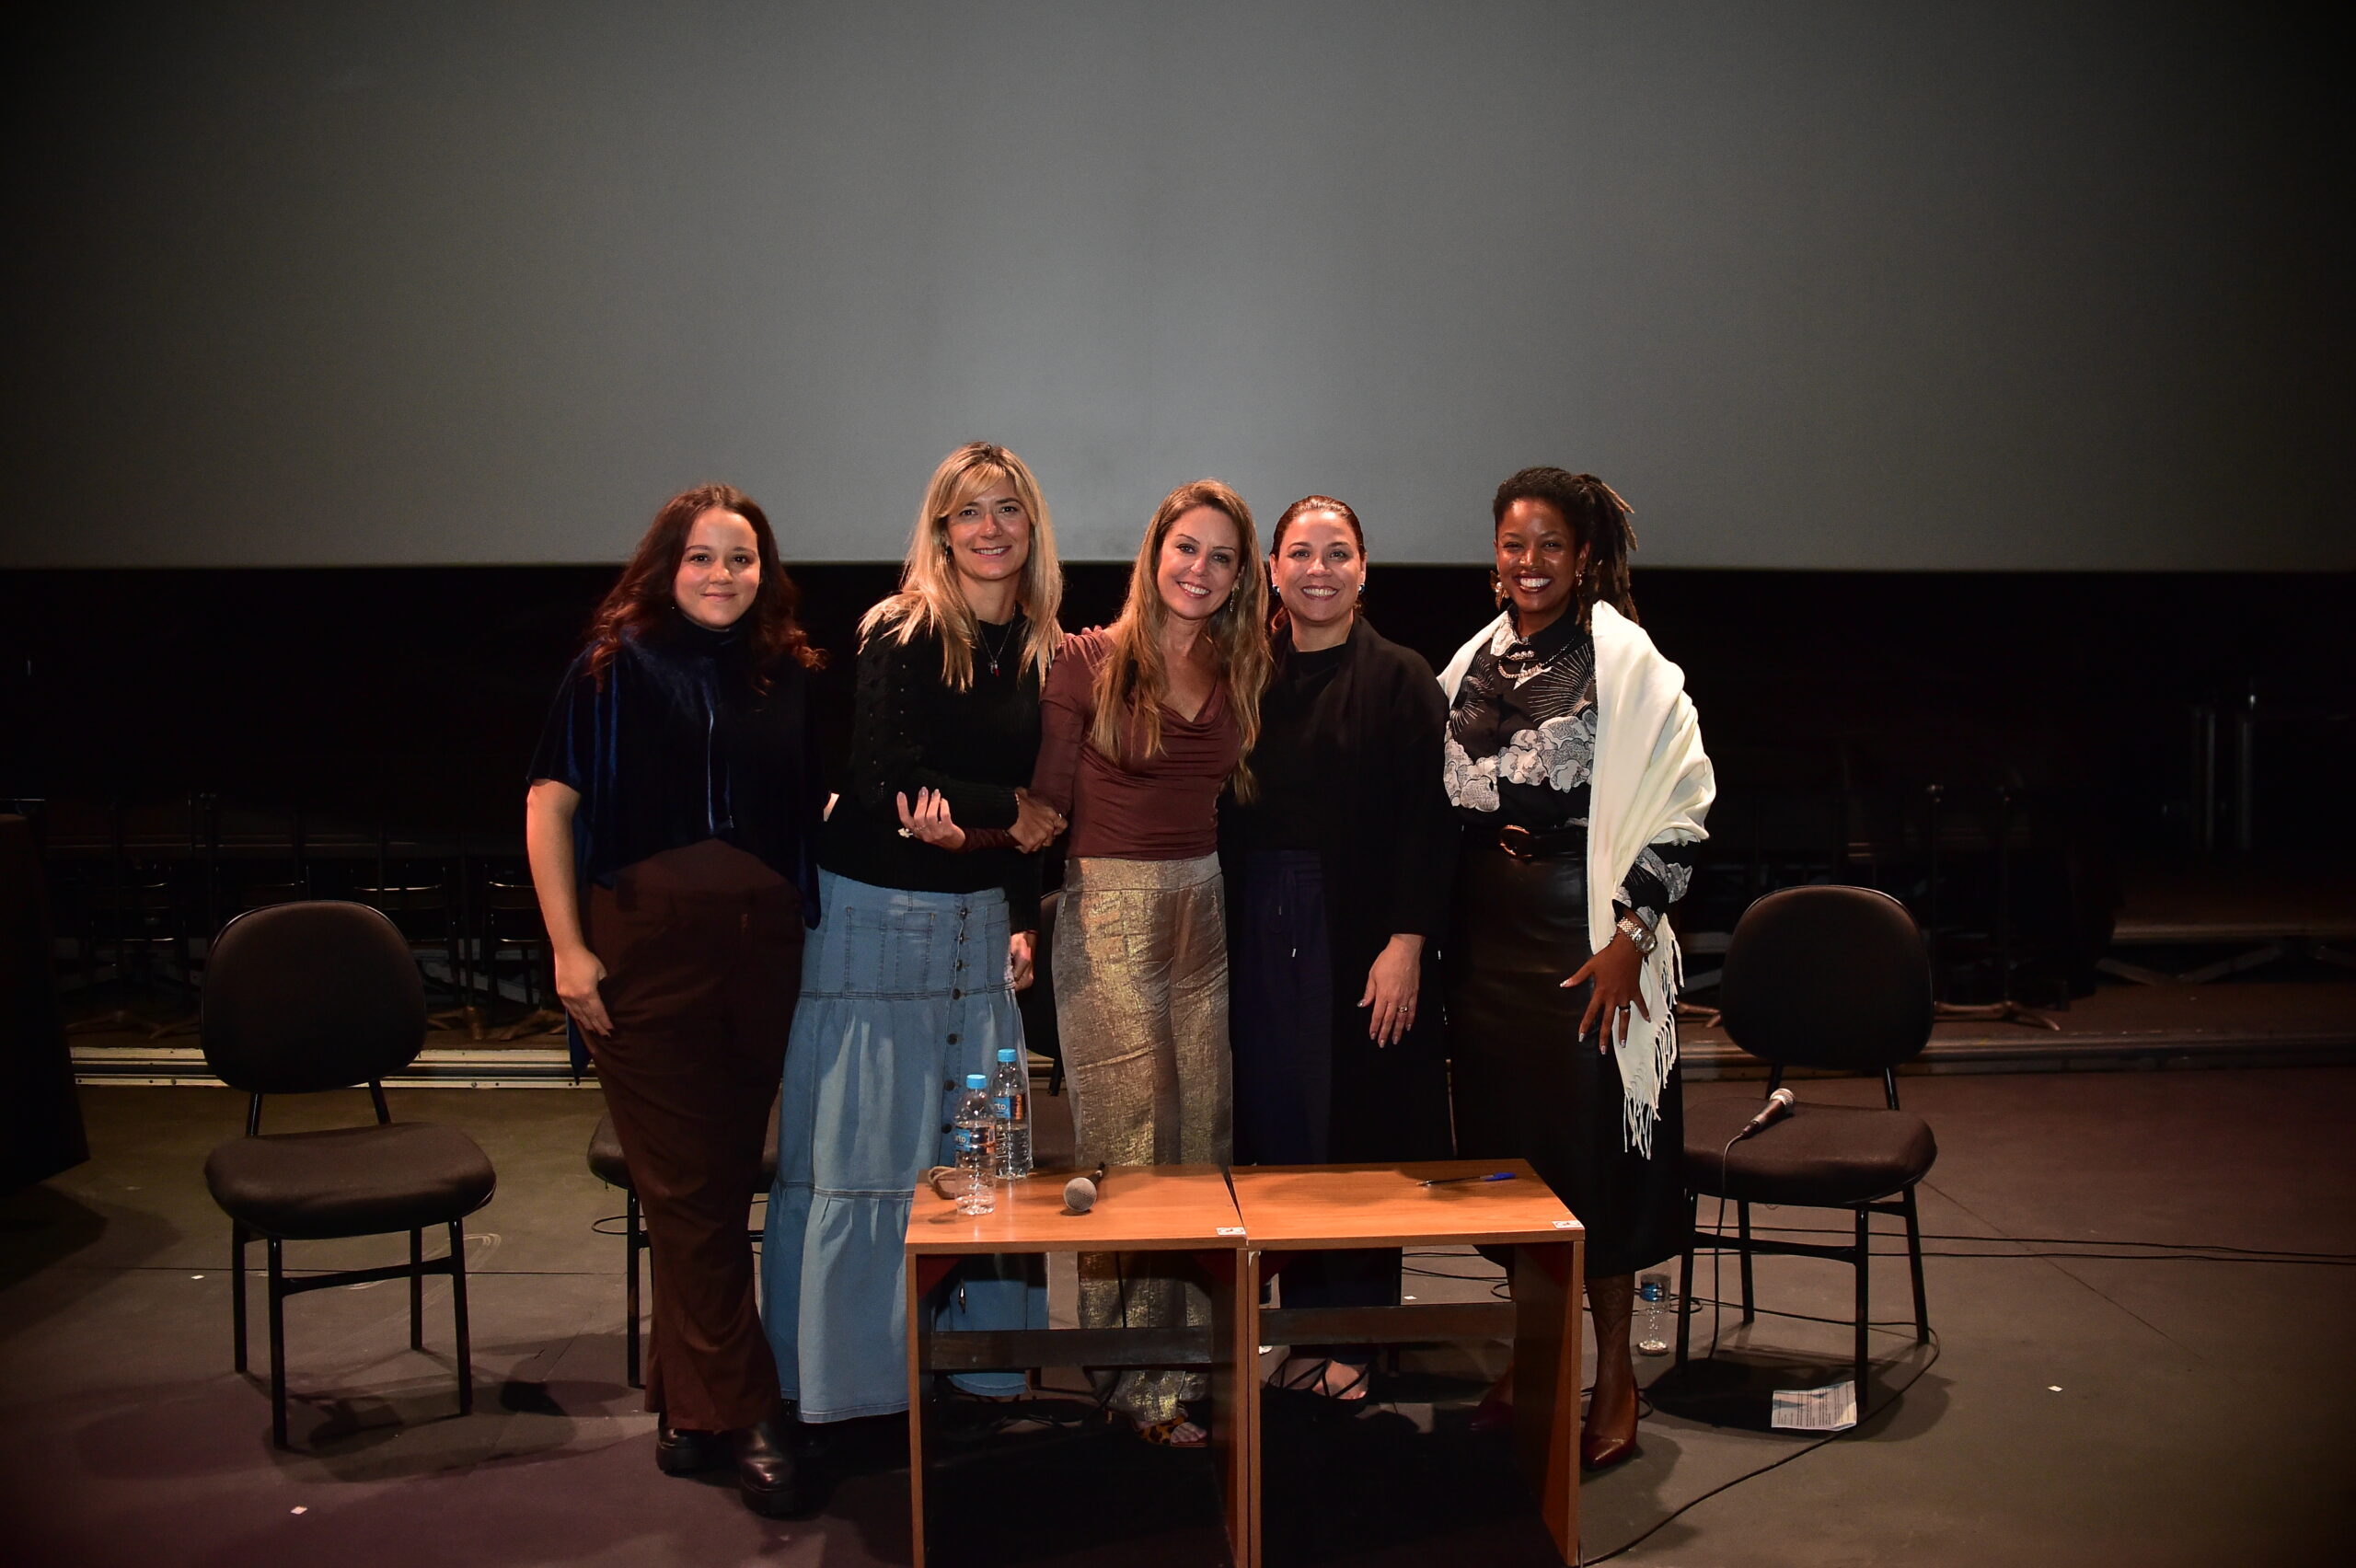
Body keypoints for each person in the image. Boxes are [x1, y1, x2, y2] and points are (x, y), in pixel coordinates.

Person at [525, 482, 826, 1515]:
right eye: (702, 557)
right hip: (644, 954)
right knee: (690, 1193)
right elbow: (549, 806)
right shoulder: (610, 668)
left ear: (765, 573)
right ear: (666, 566)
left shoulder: (786, 677)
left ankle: (684, 1401)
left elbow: (813, 806)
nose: (722, 576)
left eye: (740, 559)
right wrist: (568, 951)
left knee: (714, 1176)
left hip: (763, 955)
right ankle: (751, 1411)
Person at [761, 442, 1062, 1435]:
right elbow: (885, 773)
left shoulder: (1038, 645)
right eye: (967, 512)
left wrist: (1017, 897)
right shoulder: (901, 628)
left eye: (1006, 510)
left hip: (977, 926)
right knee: (871, 1161)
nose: (989, 529)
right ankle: (851, 1389)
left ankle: (979, 1375)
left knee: (980, 1164)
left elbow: (1001, 814)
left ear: (1031, 525)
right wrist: (1007, 809)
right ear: (939, 528)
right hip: (875, 921)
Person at [1437, 468, 1714, 1472]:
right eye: (1513, 544)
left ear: (1584, 556)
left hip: (1582, 940)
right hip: (1486, 947)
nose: (1529, 564)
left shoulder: (1629, 667)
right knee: (1514, 1167)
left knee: (1593, 1164)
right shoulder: (1469, 662)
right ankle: (1529, 1355)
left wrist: (1630, 937)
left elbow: (1683, 811)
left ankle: (1614, 1377)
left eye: (1549, 545)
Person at [1027, 478, 1270, 1444]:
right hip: (1109, 915)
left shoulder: (1240, 662)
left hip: (1201, 914)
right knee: (1129, 1150)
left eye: (1220, 556)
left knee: (1202, 1143)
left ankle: (1199, 1362)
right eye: (1186, 549)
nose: (1200, 570)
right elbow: (1041, 810)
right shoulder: (1086, 660)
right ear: (1153, 553)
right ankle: (1135, 1385)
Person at [1219, 495, 1455, 1402]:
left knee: (1352, 1131)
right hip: (1253, 921)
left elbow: (1431, 826)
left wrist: (1405, 943)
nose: (1318, 569)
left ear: (1364, 569)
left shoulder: (1401, 677)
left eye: (1337, 553)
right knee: (1280, 1126)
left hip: (1358, 930)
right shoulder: (1244, 671)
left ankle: (1356, 1342)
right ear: (1271, 570)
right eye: (1299, 553)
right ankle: (1300, 1330)